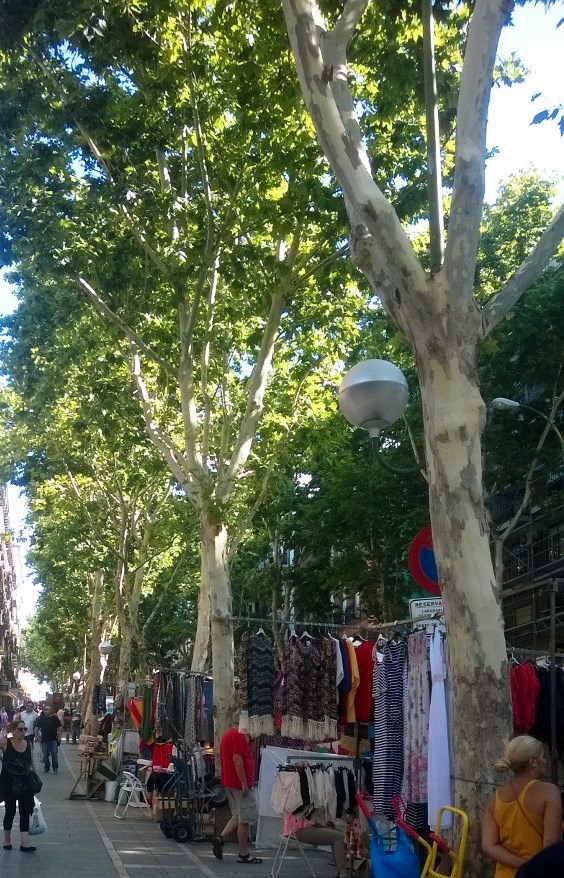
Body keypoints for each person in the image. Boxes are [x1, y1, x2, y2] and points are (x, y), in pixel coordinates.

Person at [482, 735, 563, 878]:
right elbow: (550, 847)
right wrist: (531, 866)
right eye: (542, 757)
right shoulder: (549, 792)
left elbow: (489, 845)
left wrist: (522, 864)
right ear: (533, 761)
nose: (545, 761)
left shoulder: (496, 799)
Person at [211, 716, 262, 864]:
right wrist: (244, 783)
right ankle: (243, 854)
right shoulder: (240, 735)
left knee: (237, 815)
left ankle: (220, 838)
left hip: (229, 782)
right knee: (244, 820)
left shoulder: (227, 734)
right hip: (240, 784)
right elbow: (237, 758)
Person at [0, 719, 38, 852]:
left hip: (25, 782)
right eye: (20, 729)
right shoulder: (5, 742)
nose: (23, 732)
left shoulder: (28, 744)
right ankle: (7, 840)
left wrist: (35, 777)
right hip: (9, 783)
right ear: (13, 730)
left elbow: (31, 762)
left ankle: (25, 843)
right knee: (10, 811)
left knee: (24, 811)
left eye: (24, 729)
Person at [34, 705, 62, 774]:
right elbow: (37, 728)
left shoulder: (55, 718)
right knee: (45, 755)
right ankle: (46, 767)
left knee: (54, 754)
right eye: (45, 709)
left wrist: (59, 736)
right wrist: (36, 736)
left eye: (47, 709)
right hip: (44, 740)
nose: (45, 711)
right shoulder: (41, 719)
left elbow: (59, 727)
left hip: (53, 739)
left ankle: (55, 768)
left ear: (50, 711)